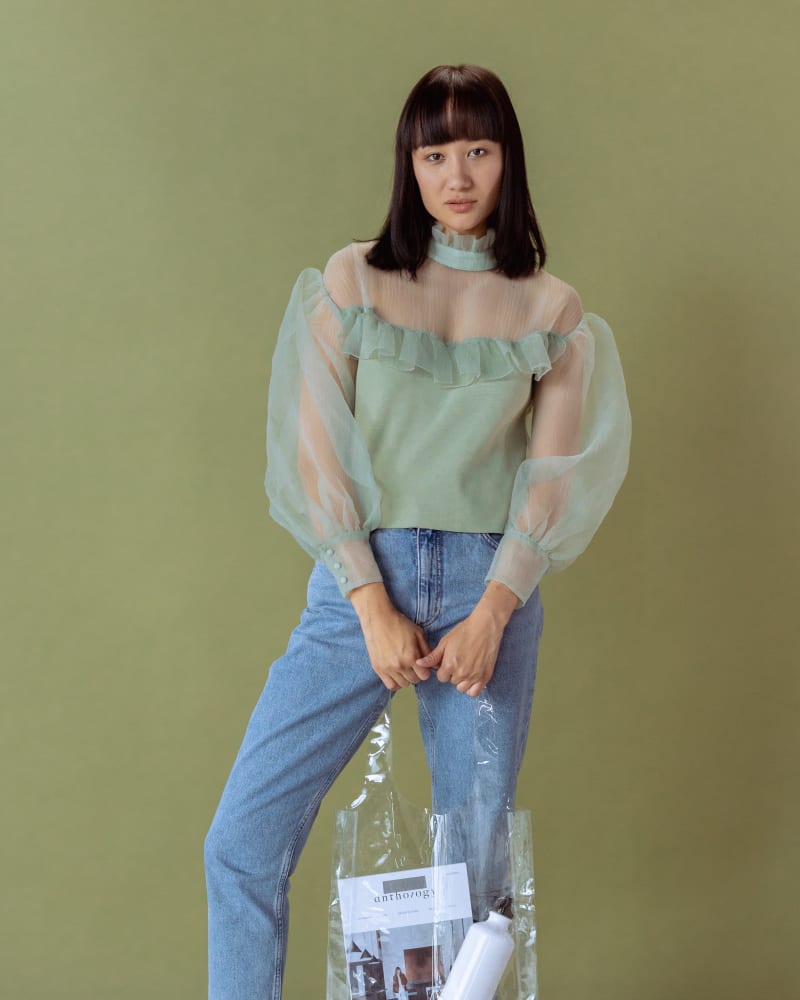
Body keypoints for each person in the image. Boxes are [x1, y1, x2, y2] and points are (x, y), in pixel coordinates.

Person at [204, 63, 632, 999]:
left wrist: (491, 614)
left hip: (493, 589)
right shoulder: (350, 281)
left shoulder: (553, 312)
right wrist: (366, 598)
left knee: (475, 877)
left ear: (507, 161)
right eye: (435, 153)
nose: (458, 173)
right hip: (366, 581)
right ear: (410, 166)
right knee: (241, 840)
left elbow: (552, 483)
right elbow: (317, 456)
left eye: (478, 149)